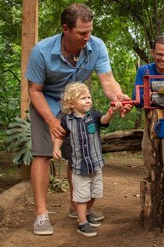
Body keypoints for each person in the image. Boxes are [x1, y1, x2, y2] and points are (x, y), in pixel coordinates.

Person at [25, 3, 132, 236]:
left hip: (76, 106)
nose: (88, 37)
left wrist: (119, 98)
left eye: (90, 31)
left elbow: (108, 80)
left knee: (78, 156)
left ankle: (78, 207)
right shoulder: (42, 51)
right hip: (47, 102)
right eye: (82, 33)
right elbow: (34, 90)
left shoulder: (96, 46)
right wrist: (53, 122)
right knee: (43, 155)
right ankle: (41, 215)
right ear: (66, 29)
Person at [52, 82, 122, 237]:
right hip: (79, 166)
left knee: (94, 193)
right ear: (71, 103)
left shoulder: (94, 116)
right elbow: (60, 135)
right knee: (82, 195)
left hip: (95, 164)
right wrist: (56, 147)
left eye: (89, 97)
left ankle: (87, 212)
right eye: (83, 98)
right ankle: (82, 222)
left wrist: (112, 111)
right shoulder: (67, 120)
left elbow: (104, 120)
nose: (88, 100)